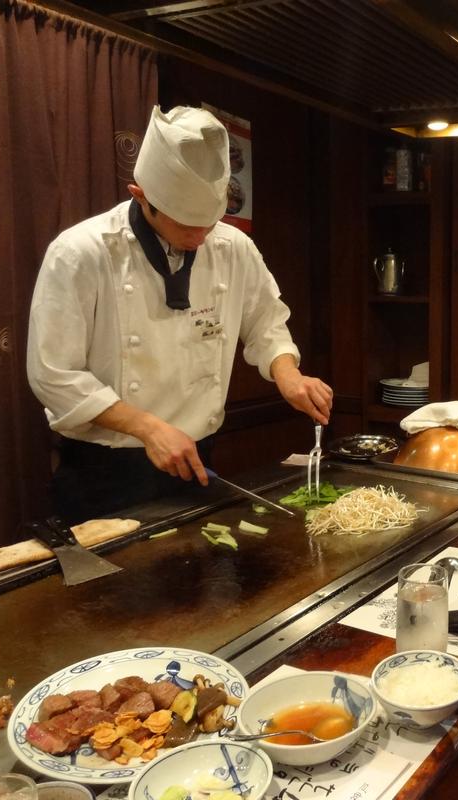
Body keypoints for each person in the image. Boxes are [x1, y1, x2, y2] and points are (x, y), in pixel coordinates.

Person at [26, 105, 332, 523]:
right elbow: (54, 375)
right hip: (105, 476)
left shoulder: (231, 247)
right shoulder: (82, 252)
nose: (200, 237)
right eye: (187, 224)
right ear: (140, 195)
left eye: (209, 222)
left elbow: (266, 321)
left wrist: (288, 375)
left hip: (195, 461)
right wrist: (149, 428)